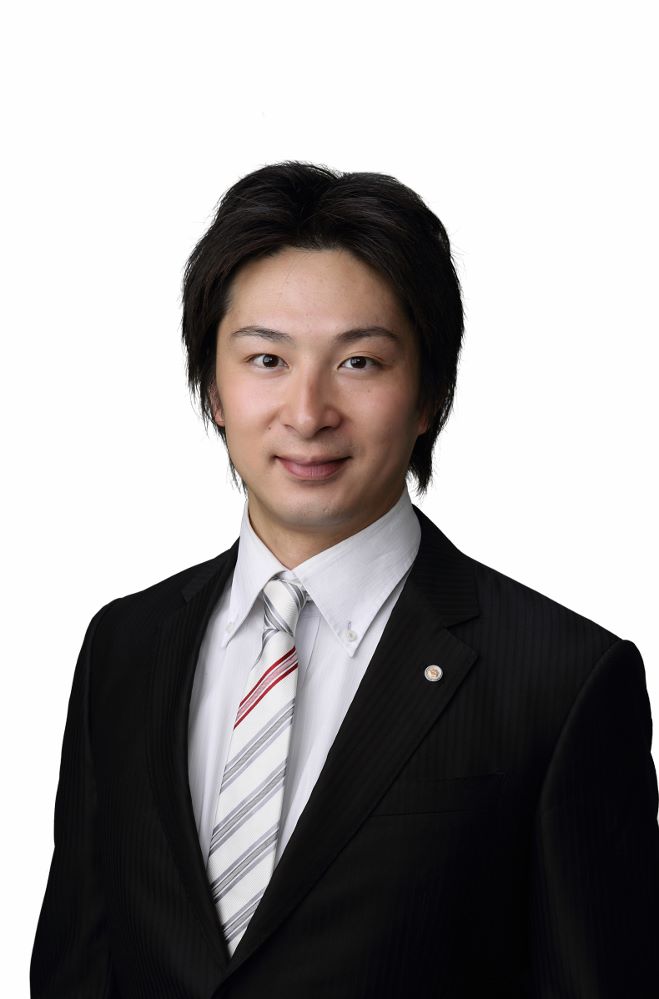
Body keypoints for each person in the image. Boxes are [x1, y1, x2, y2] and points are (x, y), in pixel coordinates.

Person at [31, 162, 659, 998]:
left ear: (430, 393)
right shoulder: (125, 646)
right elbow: (77, 968)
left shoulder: (559, 679)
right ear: (213, 387)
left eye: (359, 362)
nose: (307, 412)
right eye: (265, 359)